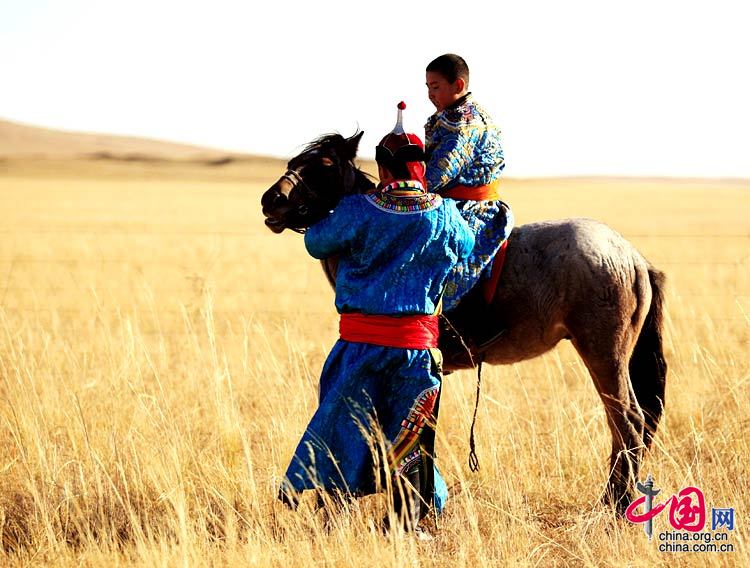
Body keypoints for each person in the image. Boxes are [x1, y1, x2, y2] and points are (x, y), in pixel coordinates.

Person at [279, 103, 475, 532]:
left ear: (383, 170)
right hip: (416, 354)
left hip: (360, 349)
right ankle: (409, 521)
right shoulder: (443, 214)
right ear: (420, 168)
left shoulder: (360, 210)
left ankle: (335, 516)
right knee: (411, 435)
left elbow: (316, 242)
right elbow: (465, 245)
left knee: (345, 425)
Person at [424, 54, 514, 342]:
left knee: (449, 252)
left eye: (435, 86)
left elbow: (437, 175)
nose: (430, 94)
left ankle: (467, 328)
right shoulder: (453, 116)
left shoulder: (466, 123)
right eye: (427, 86)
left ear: (458, 84)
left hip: (474, 208)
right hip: (452, 202)